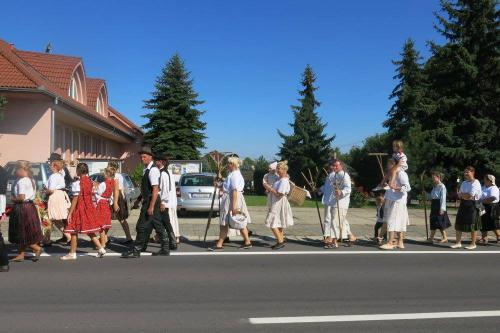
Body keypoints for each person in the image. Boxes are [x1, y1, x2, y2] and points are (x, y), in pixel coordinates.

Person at [121, 147, 170, 258]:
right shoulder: (146, 169)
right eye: (141, 157)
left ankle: (137, 250)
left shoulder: (153, 170)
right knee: (157, 225)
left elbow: (155, 190)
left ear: (150, 157)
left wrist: (151, 206)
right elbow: (145, 188)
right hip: (149, 200)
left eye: (144, 157)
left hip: (151, 201)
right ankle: (164, 248)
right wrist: (138, 200)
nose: (142, 159)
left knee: (141, 226)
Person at [61, 163, 106, 260]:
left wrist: (70, 213)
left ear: (78, 171)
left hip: (80, 208)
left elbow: (75, 199)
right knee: (89, 230)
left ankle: (72, 253)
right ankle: (101, 248)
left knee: (73, 230)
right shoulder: (90, 182)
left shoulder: (77, 183)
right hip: (89, 208)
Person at [209, 156, 252, 251]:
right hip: (230, 198)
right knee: (232, 222)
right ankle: (246, 242)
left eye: (229, 163)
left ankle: (220, 244)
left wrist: (234, 207)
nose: (227, 165)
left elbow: (235, 191)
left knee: (232, 221)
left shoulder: (235, 175)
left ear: (233, 164)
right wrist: (220, 184)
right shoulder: (232, 174)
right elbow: (228, 187)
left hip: (232, 200)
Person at [8, 160, 43, 262]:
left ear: (21, 169)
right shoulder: (30, 179)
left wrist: (12, 199)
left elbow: (21, 197)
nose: (15, 172)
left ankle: (37, 248)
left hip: (22, 207)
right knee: (25, 231)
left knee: (22, 231)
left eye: (16, 169)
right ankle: (21, 254)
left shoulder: (22, 181)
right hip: (29, 207)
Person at [322, 159, 356, 249]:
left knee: (335, 222)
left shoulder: (344, 175)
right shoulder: (335, 175)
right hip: (334, 202)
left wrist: (341, 192)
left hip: (341, 203)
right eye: (334, 166)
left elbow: (348, 189)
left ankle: (334, 242)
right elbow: (329, 186)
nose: (334, 167)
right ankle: (336, 240)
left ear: (341, 166)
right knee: (335, 222)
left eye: (336, 166)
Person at [379, 158, 411, 250]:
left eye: (389, 165)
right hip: (392, 200)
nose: (388, 167)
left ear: (394, 165)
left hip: (397, 201)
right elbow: (391, 188)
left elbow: (407, 187)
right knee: (398, 222)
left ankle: (390, 242)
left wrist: (397, 188)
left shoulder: (401, 173)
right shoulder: (392, 174)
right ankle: (400, 242)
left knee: (391, 221)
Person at [264, 161, 294, 250]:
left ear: (284, 170)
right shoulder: (280, 179)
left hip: (278, 203)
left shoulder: (284, 181)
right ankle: (280, 240)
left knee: (272, 221)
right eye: (277, 168)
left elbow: (279, 194)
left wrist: (269, 188)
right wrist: (269, 189)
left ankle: (280, 241)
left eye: (279, 169)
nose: (277, 170)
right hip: (276, 202)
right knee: (278, 222)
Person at [43, 154, 71, 246]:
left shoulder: (54, 176)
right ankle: (47, 239)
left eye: (51, 163)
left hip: (55, 197)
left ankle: (67, 236)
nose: (49, 165)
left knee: (52, 218)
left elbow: (51, 190)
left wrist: (44, 192)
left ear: (54, 165)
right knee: (53, 219)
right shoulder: (59, 174)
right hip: (60, 196)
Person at [451, 166, 482, 250]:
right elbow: (460, 194)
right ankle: (458, 243)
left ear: (473, 172)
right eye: (465, 172)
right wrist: (464, 195)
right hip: (463, 204)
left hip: (473, 205)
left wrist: (464, 195)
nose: (465, 174)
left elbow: (470, 195)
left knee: (472, 224)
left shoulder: (476, 182)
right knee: (458, 222)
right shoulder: (464, 183)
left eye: (467, 172)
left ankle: (473, 243)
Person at [108, 161, 133, 244]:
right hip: (119, 197)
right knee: (120, 218)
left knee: (113, 218)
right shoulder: (119, 175)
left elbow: (116, 190)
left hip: (116, 197)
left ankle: (103, 238)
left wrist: (115, 202)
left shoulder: (115, 176)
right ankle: (128, 237)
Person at [155, 154, 177, 251]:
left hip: (163, 202)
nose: (156, 162)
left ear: (162, 162)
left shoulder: (163, 173)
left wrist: (163, 201)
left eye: (158, 161)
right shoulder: (161, 172)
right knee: (165, 222)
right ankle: (171, 242)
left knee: (165, 222)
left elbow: (165, 189)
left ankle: (171, 242)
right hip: (162, 201)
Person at [427, 171, 451, 243]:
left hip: (439, 205)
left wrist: (442, 208)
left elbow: (443, 198)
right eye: (432, 178)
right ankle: (434, 238)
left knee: (440, 222)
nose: (433, 179)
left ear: (438, 177)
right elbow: (432, 196)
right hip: (434, 204)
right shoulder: (435, 186)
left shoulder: (442, 186)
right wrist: (425, 194)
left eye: (434, 178)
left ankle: (440, 238)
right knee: (434, 221)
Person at [96, 167, 115, 249]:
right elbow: (111, 195)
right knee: (106, 224)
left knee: (101, 225)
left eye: (104, 173)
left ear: (107, 174)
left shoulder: (103, 184)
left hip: (101, 204)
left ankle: (103, 243)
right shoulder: (112, 183)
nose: (103, 175)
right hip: (107, 204)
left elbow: (98, 194)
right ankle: (104, 240)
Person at [478, 174, 499, 244]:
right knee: (482, 222)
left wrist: (482, 201)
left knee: (493, 223)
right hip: (483, 206)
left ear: (490, 180)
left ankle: (499, 236)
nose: (484, 180)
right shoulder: (483, 187)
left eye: (485, 179)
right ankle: (484, 238)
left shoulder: (494, 188)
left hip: (492, 207)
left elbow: (493, 198)